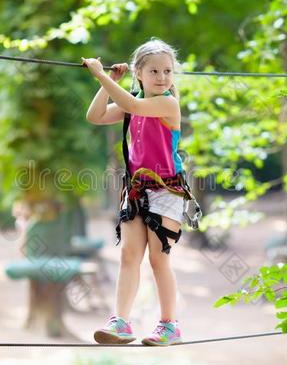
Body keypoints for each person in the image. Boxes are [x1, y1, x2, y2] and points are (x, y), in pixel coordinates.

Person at [83, 38, 196, 346]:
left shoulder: (167, 103)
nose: (162, 78)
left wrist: (100, 74)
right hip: (136, 190)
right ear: (139, 74)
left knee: (159, 258)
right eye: (155, 71)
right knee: (129, 255)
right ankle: (121, 322)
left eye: (168, 71)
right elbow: (95, 116)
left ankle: (169, 325)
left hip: (166, 189)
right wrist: (109, 83)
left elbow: (134, 105)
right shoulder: (132, 101)